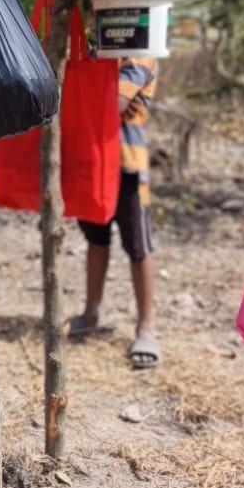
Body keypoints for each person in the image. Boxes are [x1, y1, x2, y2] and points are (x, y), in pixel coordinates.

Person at [70, 55, 160, 369]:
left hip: (128, 166)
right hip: (93, 164)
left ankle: (145, 327)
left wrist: (87, 94)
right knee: (96, 239)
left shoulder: (141, 57)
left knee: (138, 247)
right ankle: (91, 311)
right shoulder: (93, 55)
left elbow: (115, 104)